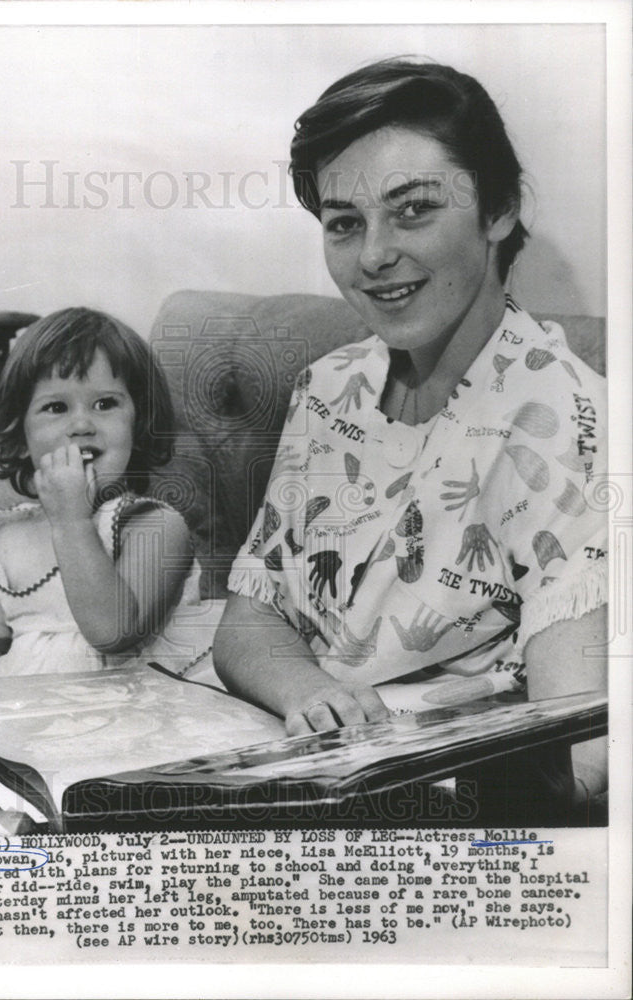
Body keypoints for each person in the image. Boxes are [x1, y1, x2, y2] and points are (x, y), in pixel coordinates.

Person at [214, 58, 607, 815]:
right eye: (345, 224)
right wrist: (315, 694)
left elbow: (579, 743)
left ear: (497, 210)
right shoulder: (329, 387)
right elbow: (251, 618)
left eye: (414, 209)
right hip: (287, 754)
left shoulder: (577, 425)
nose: (372, 257)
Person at [0, 307, 209, 680]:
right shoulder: (3, 541)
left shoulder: (155, 526)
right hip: (40, 716)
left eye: (105, 404)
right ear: (20, 438)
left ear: (141, 421)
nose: (82, 424)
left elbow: (112, 633)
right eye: (56, 407)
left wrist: (71, 519)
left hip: (132, 709)